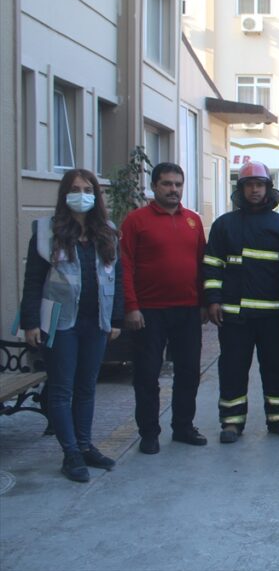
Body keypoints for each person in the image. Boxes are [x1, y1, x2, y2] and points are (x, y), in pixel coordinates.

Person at [20, 168, 123, 482]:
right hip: (60, 323)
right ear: (65, 194)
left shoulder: (106, 231)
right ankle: (71, 454)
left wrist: (115, 319)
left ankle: (85, 444)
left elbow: (115, 278)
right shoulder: (46, 232)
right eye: (76, 188)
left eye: (88, 188)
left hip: (96, 323)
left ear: (96, 194)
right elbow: (33, 282)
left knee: (87, 389)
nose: (83, 194)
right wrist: (31, 323)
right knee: (62, 390)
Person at [204, 161, 279, 444]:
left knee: (276, 368)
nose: (255, 190)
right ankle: (232, 422)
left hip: (272, 315)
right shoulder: (224, 225)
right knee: (233, 368)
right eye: (250, 185)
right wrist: (213, 300)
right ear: (241, 189)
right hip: (234, 316)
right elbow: (211, 265)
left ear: (268, 189)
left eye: (260, 185)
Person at [121, 162, 208, 454]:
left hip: (187, 310)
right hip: (149, 312)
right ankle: (149, 433)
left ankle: (183, 427)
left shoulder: (193, 221)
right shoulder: (136, 221)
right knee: (147, 375)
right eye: (167, 184)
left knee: (188, 372)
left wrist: (204, 304)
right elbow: (125, 266)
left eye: (178, 184)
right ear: (155, 186)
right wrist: (131, 307)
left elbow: (202, 266)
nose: (173, 190)